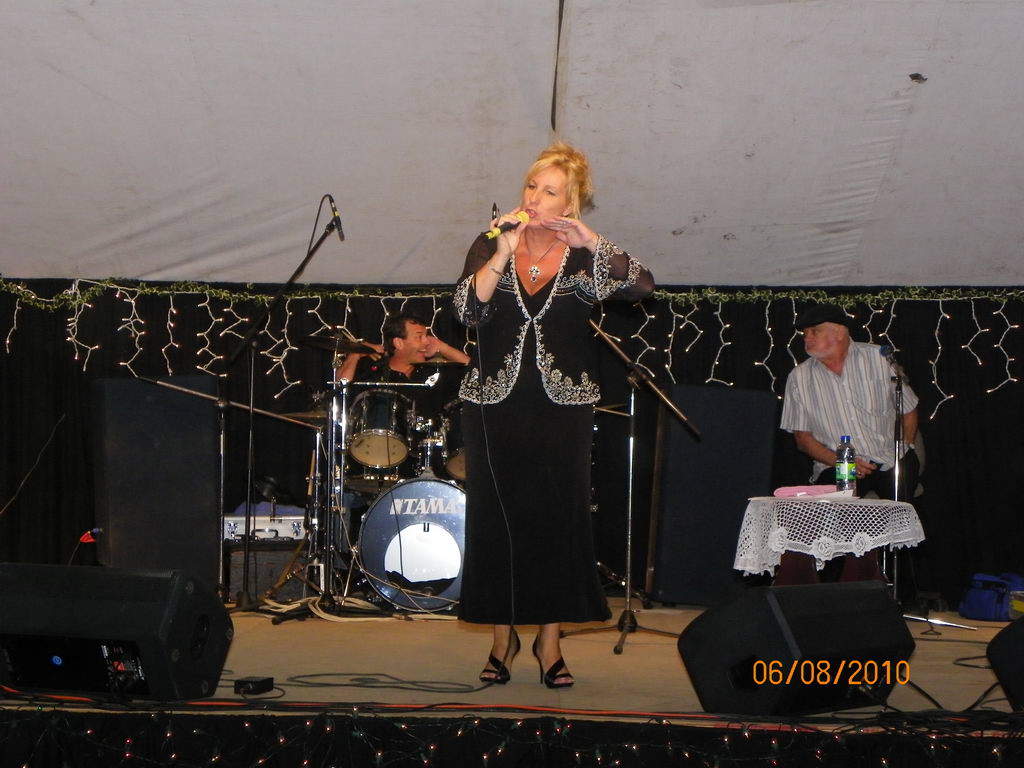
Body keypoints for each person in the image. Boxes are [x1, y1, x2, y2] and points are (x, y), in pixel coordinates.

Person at [452, 142, 654, 687]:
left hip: (562, 406)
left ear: (570, 204)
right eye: (531, 186)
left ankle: (549, 640)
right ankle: (502, 638)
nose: (535, 198)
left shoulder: (584, 256)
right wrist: (501, 251)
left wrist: (592, 240)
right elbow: (466, 311)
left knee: (556, 520)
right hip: (493, 403)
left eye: (549, 191)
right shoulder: (490, 242)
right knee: (497, 520)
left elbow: (642, 286)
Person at [778, 304, 920, 584]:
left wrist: (906, 445)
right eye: (805, 333)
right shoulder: (799, 378)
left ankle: (901, 590)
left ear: (839, 333)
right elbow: (803, 440)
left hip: (889, 458)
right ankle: (841, 588)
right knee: (836, 521)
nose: (807, 338)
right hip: (837, 464)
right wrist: (841, 461)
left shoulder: (878, 359)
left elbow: (909, 408)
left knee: (901, 518)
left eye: (815, 331)